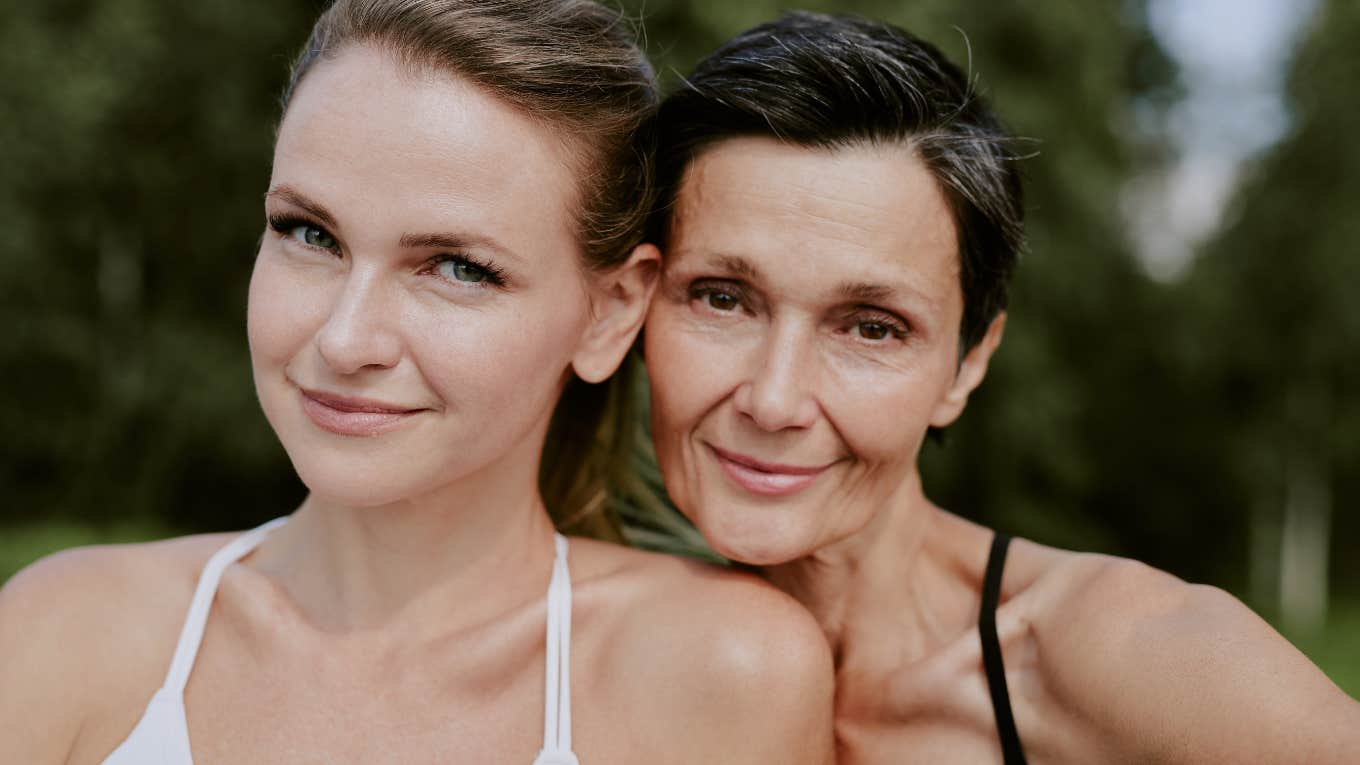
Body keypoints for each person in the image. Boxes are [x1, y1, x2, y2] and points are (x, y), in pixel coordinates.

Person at [0, 2, 834, 763]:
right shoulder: (63, 634)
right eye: (308, 233)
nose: (345, 338)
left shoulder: (719, 673)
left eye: (458, 268)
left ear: (611, 313)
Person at [642, 11, 1360, 764]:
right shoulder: (598, 646)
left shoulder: (1110, 653)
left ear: (968, 364)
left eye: (872, 327)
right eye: (721, 297)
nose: (774, 399)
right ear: (635, 305)